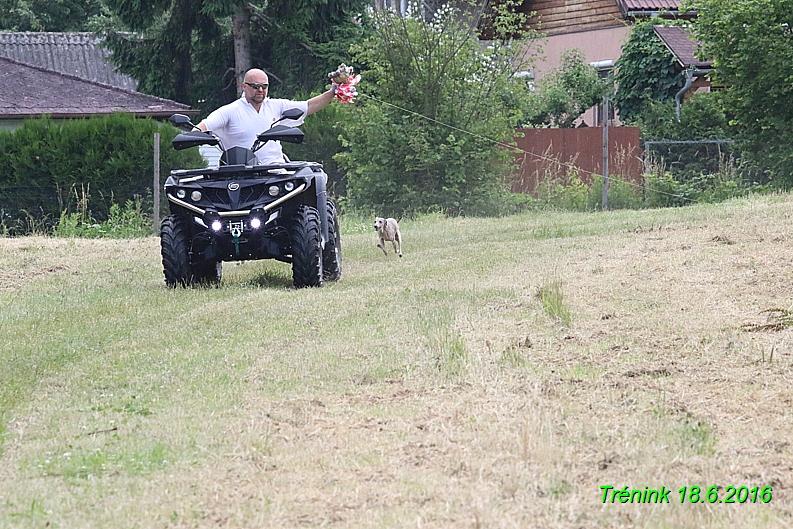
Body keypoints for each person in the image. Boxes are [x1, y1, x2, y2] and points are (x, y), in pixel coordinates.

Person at [194, 68, 335, 165]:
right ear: (244, 86)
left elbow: (308, 106)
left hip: (276, 171)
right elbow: (204, 126)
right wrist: (193, 136)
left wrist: (334, 91)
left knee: (313, 179)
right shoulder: (229, 111)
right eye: (255, 86)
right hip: (238, 172)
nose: (260, 90)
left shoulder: (276, 106)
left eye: (264, 86)